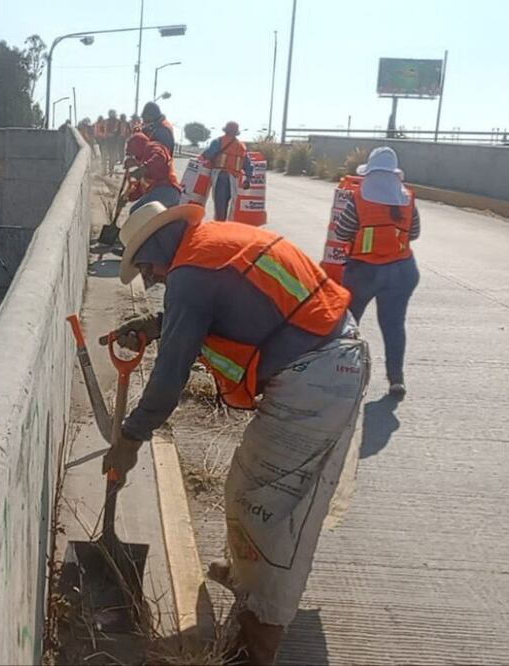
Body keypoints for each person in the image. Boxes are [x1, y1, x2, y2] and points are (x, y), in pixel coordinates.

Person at [101, 202, 369, 664]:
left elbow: (167, 383)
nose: (152, 278)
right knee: (246, 484)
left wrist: (129, 438)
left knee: (274, 507)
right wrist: (158, 324)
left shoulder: (191, 271)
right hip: (324, 357)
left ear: (158, 245)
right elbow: (233, 308)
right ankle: (248, 578)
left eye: (146, 266)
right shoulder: (209, 246)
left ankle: (255, 642)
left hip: (320, 374)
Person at [334, 146, 420, 399]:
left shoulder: (359, 197)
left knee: (349, 324)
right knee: (394, 326)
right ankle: (396, 380)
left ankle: (346, 374)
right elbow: (413, 233)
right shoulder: (407, 199)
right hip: (402, 271)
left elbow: (342, 232)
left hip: (364, 271)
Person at [202, 121, 254, 221]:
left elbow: (208, 154)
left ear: (226, 130)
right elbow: (248, 164)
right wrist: (248, 179)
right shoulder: (241, 146)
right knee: (230, 202)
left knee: (220, 203)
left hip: (220, 175)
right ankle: (228, 224)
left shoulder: (218, 141)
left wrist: (202, 158)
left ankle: (220, 224)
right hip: (234, 178)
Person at [123, 132, 181, 213]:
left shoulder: (152, 147)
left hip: (166, 191)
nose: (134, 157)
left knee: (136, 211)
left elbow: (159, 158)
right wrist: (127, 198)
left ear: (138, 147)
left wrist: (142, 169)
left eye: (134, 153)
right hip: (165, 195)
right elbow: (140, 190)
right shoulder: (145, 162)